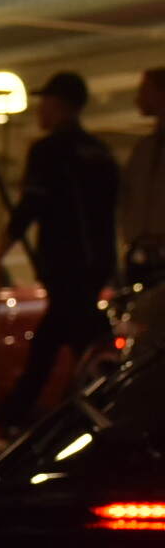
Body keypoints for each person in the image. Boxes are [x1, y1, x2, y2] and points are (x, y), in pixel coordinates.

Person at [0, 69, 122, 433]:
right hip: (95, 264)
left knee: (67, 343)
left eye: (43, 103)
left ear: (56, 104)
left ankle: (22, 418)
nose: (39, 111)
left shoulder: (50, 151)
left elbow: (30, 207)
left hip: (66, 264)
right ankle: (32, 416)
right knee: (72, 341)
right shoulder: (100, 154)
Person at [119, 65, 164, 345]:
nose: (138, 100)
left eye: (145, 92)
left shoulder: (147, 151)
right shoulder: (145, 149)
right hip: (143, 252)